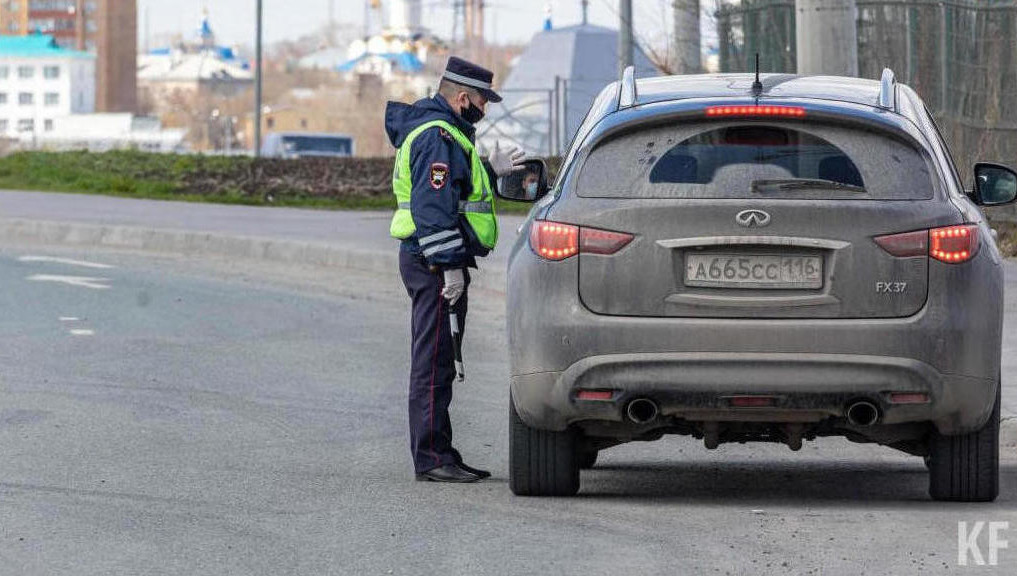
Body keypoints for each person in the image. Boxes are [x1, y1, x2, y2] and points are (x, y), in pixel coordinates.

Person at [385, 57, 526, 483]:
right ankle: (431, 457)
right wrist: (448, 267)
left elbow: (453, 193)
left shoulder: (443, 134)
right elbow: (433, 208)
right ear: (463, 97)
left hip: (431, 258)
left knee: (441, 359)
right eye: (483, 101)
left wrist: (488, 171)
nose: (485, 109)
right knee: (433, 361)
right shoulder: (438, 136)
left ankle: (441, 451)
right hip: (432, 261)